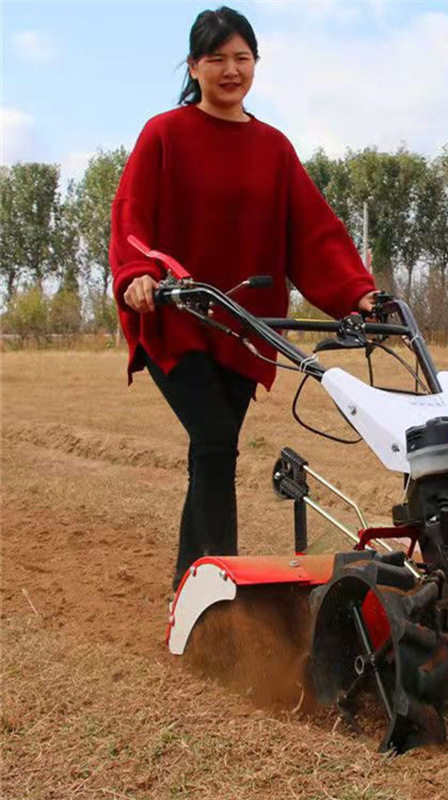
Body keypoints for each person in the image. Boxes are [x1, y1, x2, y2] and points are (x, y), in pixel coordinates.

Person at [110, 6, 377, 592]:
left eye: (242, 58)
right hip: (176, 318)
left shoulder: (272, 147)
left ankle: (190, 587)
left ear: (255, 63)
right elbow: (131, 215)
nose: (231, 71)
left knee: (213, 454)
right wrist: (136, 273)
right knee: (213, 442)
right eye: (217, 60)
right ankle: (223, 595)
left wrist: (358, 294)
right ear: (194, 66)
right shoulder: (164, 134)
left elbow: (313, 233)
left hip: (241, 327)